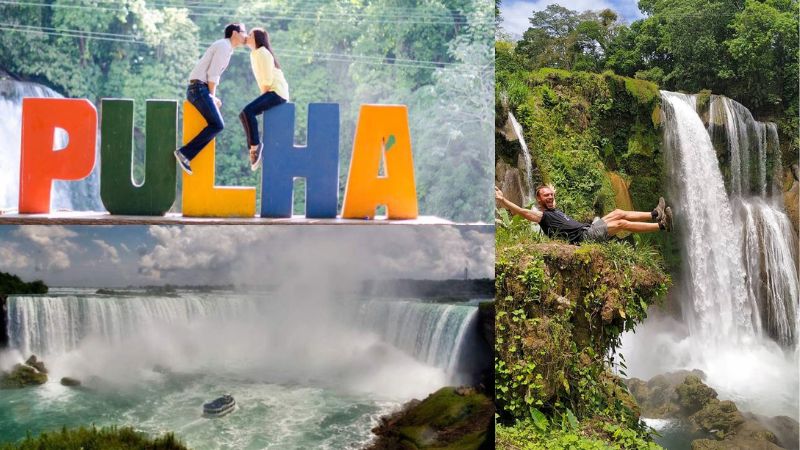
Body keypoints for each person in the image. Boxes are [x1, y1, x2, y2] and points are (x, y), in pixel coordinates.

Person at [174, 23, 248, 175]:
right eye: (243, 32)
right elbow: (213, 74)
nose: (245, 35)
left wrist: (213, 96)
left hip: (199, 89)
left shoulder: (226, 48)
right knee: (218, 124)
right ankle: (185, 153)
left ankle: (185, 153)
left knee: (217, 124)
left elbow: (212, 75)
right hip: (198, 89)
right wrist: (212, 96)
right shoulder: (223, 47)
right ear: (234, 33)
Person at [495, 185, 673, 244]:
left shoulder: (552, 209)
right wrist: (503, 200)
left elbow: (551, 198)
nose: (550, 196)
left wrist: (551, 191)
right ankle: (662, 226)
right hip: (584, 238)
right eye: (545, 195)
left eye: (551, 194)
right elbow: (522, 212)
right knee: (621, 224)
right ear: (539, 200)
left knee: (618, 212)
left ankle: (655, 213)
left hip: (588, 228)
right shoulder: (543, 216)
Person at [239, 27, 290, 171]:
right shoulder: (254, 54)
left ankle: (255, 147)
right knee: (245, 113)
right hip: (271, 91)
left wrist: (263, 97)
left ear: (256, 39)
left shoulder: (263, 53)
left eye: (250, 35)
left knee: (247, 112)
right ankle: (254, 147)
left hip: (277, 92)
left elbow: (267, 79)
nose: (247, 37)